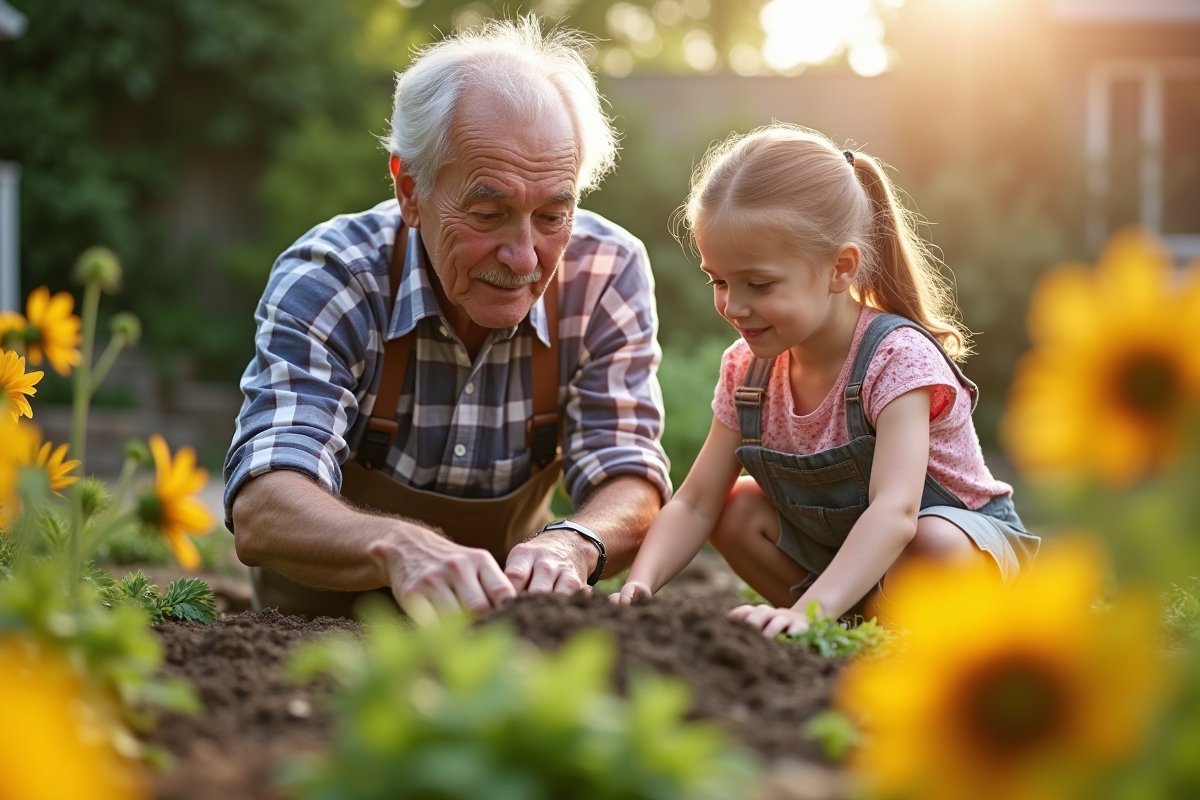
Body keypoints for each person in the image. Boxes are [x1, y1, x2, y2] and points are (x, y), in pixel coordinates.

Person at [224, 17, 670, 621]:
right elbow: (264, 504)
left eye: (551, 217)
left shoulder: (605, 274)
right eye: (489, 214)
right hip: (316, 644)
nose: (522, 256)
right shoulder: (334, 278)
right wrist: (400, 548)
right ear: (411, 190)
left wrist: (574, 543)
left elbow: (630, 476)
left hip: (498, 651)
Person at [612, 125, 1039, 637]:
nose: (734, 305)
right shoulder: (746, 370)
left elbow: (896, 511)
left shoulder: (896, 358)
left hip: (960, 554)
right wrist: (639, 584)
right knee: (735, 509)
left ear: (840, 269)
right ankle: (850, 629)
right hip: (856, 572)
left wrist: (805, 611)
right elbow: (697, 501)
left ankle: (848, 623)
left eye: (759, 284)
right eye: (719, 281)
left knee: (933, 543)